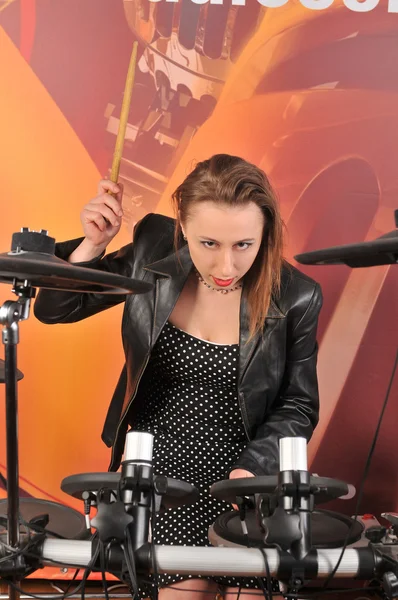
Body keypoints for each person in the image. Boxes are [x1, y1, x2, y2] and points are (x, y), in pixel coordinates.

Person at [34, 154, 322, 600]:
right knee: (183, 589)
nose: (226, 266)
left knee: (251, 592)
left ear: (265, 233)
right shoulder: (153, 251)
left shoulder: (298, 296)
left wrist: (254, 469)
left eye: (244, 245)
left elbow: (298, 404)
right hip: (161, 476)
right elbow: (56, 309)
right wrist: (92, 246)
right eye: (209, 243)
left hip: (244, 475)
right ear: (182, 226)